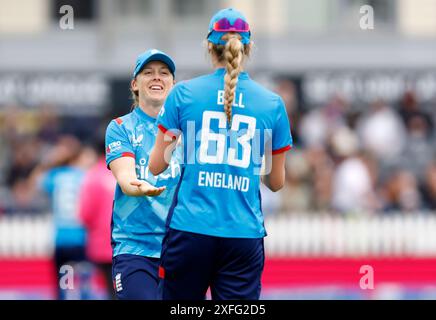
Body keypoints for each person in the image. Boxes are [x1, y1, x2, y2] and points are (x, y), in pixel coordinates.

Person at [148, 8, 293, 300]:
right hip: (243, 233)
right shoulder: (272, 103)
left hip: (189, 230)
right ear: (248, 47)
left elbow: (156, 166)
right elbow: (275, 183)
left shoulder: (183, 94)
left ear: (209, 48)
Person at [105, 49, 181, 300]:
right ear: (135, 84)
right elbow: (125, 179)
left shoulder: (189, 131)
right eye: (148, 73)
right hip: (135, 247)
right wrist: (139, 186)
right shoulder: (120, 127)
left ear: (173, 83)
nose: (156, 78)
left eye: (164, 73)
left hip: (182, 246)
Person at [78, 132, 116, 299]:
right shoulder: (129, 170)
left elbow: (85, 214)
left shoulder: (93, 175)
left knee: (111, 289)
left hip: (102, 243)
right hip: (131, 242)